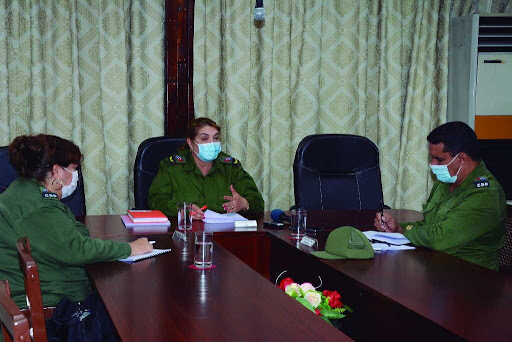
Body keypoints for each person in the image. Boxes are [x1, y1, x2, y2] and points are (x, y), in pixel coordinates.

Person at [0, 134, 153, 310]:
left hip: (37, 290)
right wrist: (131, 249)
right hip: (50, 303)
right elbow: (78, 250)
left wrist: (77, 240)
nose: (76, 176)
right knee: (130, 305)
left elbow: (76, 230)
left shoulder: (25, 190)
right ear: (56, 171)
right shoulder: (40, 207)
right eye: (73, 169)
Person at [374, 121, 506, 271]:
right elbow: (429, 226)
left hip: (471, 277)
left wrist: (404, 232)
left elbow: (439, 239)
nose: (433, 164)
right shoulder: (447, 180)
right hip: (437, 266)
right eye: (432, 158)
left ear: (461, 158)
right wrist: (398, 228)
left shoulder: (485, 195)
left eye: (440, 159)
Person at [149, 117, 264, 219]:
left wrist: (245, 204)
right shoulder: (172, 167)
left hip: (224, 234)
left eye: (216, 138)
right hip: (184, 232)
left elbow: (257, 201)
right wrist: (182, 209)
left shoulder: (230, 167)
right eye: (204, 139)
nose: (212, 143)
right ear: (190, 143)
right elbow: (156, 200)